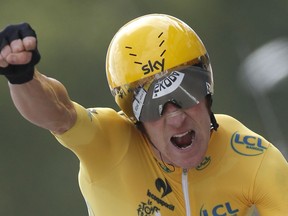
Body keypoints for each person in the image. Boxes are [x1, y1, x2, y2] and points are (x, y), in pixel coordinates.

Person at [0, 14, 287, 216]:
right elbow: (57, 112)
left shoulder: (252, 158)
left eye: (186, 92)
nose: (175, 118)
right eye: (153, 105)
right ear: (133, 117)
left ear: (207, 91)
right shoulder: (109, 144)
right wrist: (23, 77)